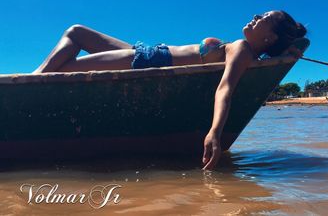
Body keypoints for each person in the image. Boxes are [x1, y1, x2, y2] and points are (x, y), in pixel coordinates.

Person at [34, 10, 307, 170]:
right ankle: (32, 79)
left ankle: (31, 81)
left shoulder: (242, 48)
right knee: (77, 32)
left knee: (71, 46)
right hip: (149, 52)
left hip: (147, 61)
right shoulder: (249, 51)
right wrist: (289, 51)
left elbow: (225, 88)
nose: (254, 17)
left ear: (269, 37)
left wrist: (215, 132)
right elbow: (281, 53)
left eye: (263, 19)